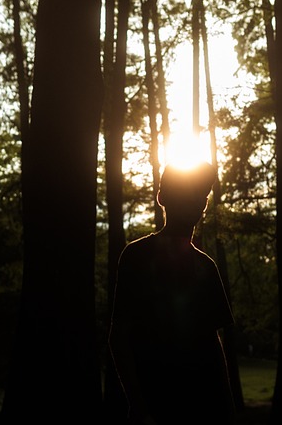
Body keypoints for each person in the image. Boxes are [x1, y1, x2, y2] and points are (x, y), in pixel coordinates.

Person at [108, 161, 236, 425]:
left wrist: (226, 412)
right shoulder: (136, 257)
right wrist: (140, 409)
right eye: (185, 193)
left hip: (201, 410)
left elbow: (213, 344)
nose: (194, 202)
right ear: (162, 197)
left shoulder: (206, 267)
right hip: (157, 407)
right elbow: (118, 336)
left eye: (200, 195)